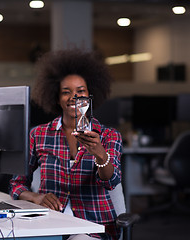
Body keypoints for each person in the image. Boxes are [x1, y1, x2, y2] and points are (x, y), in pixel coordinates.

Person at [10, 49, 123, 240]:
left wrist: (100, 154)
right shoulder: (38, 134)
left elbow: (111, 182)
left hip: (93, 226)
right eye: (66, 92)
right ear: (56, 97)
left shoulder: (109, 135)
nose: (74, 97)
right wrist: (36, 197)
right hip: (48, 223)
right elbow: (16, 184)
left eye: (80, 91)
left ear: (90, 96)